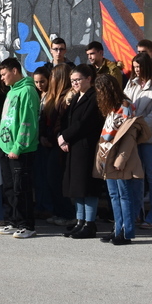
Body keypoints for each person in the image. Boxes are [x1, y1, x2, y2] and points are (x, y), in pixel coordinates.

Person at [94, 74, 149, 245]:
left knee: (124, 195)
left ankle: (126, 231)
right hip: (108, 153)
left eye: (100, 91)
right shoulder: (111, 108)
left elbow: (126, 136)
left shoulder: (125, 106)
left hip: (120, 156)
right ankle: (117, 228)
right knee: (113, 195)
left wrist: (121, 159)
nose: (98, 95)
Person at [0, 57, 42, 239]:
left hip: (20, 150)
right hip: (5, 147)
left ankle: (26, 225)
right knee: (8, 187)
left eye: (4, 74)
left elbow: (27, 122)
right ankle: (12, 221)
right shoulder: (11, 91)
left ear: (15, 71)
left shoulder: (28, 91)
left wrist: (18, 147)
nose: (2, 78)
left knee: (21, 188)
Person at [124, 52, 152, 230]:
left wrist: (137, 130)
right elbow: (125, 104)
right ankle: (136, 214)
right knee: (135, 177)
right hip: (134, 137)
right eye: (134, 67)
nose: (137, 70)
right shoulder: (131, 84)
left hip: (151, 138)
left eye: (139, 67)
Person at [58, 64, 103, 239]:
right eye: (72, 81)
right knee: (76, 186)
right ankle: (80, 221)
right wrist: (62, 136)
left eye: (78, 80)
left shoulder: (94, 97)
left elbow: (84, 123)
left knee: (87, 187)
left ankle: (89, 223)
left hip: (86, 147)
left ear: (89, 79)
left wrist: (65, 136)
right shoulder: (76, 97)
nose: (75, 83)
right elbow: (66, 120)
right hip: (73, 147)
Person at [38, 63, 72, 225]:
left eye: (52, 77)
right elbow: (46, 119)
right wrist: (43, 135)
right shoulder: (53, 97)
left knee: (56, 178)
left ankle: (66, 213)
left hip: (59, 145)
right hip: (50, 142)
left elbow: (61, 123)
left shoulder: (67, 97)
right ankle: (59, 211)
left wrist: (50, 138)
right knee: (51, 178)